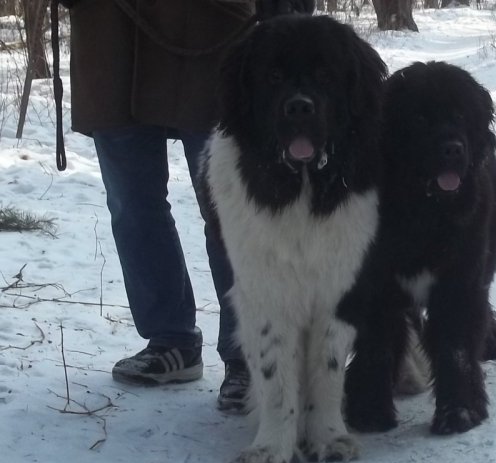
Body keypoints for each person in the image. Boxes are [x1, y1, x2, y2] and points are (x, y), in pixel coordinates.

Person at [59, 0, 314, 413]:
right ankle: (170, 341)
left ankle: (248, 352)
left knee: (233, 206)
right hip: (110, 38)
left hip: (214, 32)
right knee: (130, 202)